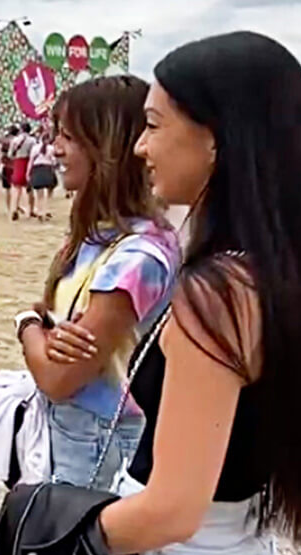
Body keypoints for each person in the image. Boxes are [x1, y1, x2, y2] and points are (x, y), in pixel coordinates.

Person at [44, 32, 301, 555]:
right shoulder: (284, 268)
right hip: (237, 548)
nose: (140, 147)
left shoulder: (218, 294)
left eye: (153, 126)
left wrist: (53, 536)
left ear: (217, 139)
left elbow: (171, 510)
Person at [15, 75, 179, 491]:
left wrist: (27, 326)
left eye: (69, 137)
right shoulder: (98, 234)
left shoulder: (137, 257)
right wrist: (49, 335)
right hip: (75, 432)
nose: (55, 148)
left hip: (98, 441)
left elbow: (59, 379)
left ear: (107, 148)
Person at [27, 126, 57, 219]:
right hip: (47, 169)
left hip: (37, 169)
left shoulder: (35, 148)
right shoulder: (51, 149)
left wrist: (28, 172)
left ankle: (40, 211)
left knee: (39, 194)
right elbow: (54, 161)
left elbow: (31, 161)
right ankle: (46, 210)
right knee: (48, 193)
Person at [10, 123, 35, 220]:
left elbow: (10, 154)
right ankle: (30, 210)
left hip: (18, 162)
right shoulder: (32, 140)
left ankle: (14, 209)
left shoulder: (15, 140)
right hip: (28, 162)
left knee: (17, 188)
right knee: (29, 188)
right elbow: (33, 153)